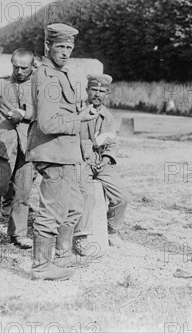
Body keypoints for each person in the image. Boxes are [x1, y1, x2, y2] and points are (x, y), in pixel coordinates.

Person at [26, 23, 98, 280]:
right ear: (47, 46)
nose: (66, 52)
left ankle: (63, 256)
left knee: (73, 207)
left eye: (69, 47)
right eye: (60, 47)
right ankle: (42, 267)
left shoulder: (60, 73)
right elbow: (47, 123)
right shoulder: (47, 76)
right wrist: (80, 119)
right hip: (52, 152)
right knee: (52, 211)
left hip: (64, 153)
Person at [0, 49, 36, 252]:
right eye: (15, 66)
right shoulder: (0, 84)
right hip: (2, 146)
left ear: (32, 66)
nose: (19, 71)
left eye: (24, 67)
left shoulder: (39, 85)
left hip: (28, 147)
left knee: (23, 193)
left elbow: (47, 111)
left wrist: (25, 114)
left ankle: (18, 234)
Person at [74, 74, 129, 254]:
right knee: (86, 194)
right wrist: (85, 158)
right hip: (81, 162)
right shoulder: (77, 112)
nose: (97, 94)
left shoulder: (108, 117)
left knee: (121, 196)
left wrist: (104, 160)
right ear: (87, 91)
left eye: (101, 91)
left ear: (107, 93)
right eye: (94, 90)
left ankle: (112, 228)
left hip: (101, 163)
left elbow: (111, 143)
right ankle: (81, 236)